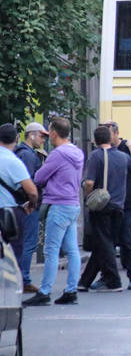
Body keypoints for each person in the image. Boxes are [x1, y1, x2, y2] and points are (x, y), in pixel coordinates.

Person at [22, 117, 84, 306]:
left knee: (51, 250)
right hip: (73, 203)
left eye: (49, 132)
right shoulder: (78, 152)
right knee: (72, 250)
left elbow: (39, 178)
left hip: (58, 204)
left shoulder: (57, 154)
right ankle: (71, 290)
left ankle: (45, 291)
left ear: (55, 134)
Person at [78, 126, 131, 292]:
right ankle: (84, 281)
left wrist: (88, 195)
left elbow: (89, 182)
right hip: (119, 207)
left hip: (101, 206)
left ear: (95, 140)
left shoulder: (96, 156)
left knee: (104, 243)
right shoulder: (123, 156)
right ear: (110, 138)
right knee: (104, 243)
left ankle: (114, 281)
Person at [102, 121, 131, 290]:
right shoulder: (104, 150)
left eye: (108, 133)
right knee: (108, 241)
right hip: (110, 203)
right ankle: (107, 276)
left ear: (116, 133)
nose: (106, 137)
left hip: (128, 203)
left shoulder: (129, 149)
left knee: (128, 238)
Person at [15, 122, 48, 293]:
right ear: (32, 135)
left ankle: (20, 278)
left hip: (21, 204)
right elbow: (28, 182)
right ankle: (24, 279)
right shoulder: (28, 155)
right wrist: (32, 201)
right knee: (28, 243)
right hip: (28, 205)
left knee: (21, 243)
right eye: (42, 136)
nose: (43, 140)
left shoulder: (23, 153)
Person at [0, 123, 39, 262]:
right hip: (9, 214)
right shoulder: (13, 161)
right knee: (14, 254)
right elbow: (32, 192)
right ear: (16, 139)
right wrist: (32, 204)